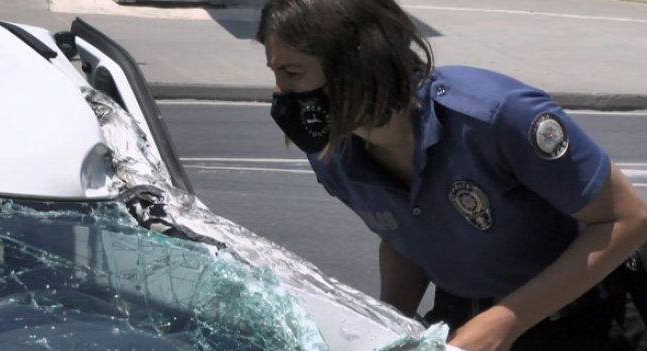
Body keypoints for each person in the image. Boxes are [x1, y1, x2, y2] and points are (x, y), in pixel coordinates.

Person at [255, 0, 647, 350]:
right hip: (466, 327)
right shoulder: (333, 154)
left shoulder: (495, 116)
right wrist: (388, 323)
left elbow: (627, 218)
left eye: (292, 73)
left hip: (588, 318)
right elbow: (404, 236)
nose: (281, 92)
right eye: (277, 73)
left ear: (356, 63)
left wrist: (506, 321)